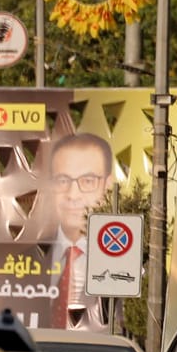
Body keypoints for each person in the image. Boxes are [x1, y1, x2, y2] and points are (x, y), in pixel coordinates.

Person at [43, 132, 115, 331]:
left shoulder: (119, 261)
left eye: (88, 181)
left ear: (108, 185)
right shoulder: (25, 259)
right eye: (62, 181)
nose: (73, 195)